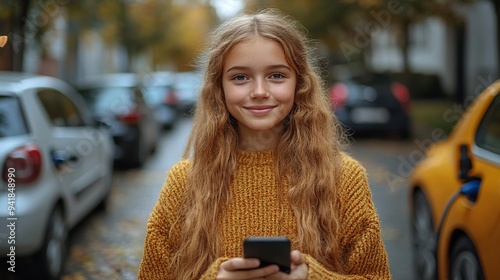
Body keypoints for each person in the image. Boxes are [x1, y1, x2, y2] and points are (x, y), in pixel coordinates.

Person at [138, 9, 391, 280]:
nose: (259, 91)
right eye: (240, 77)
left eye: (277, 75)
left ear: (300, 84)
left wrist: (313, 277)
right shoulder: (183, 183)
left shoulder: (343, 178)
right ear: (218, 88)